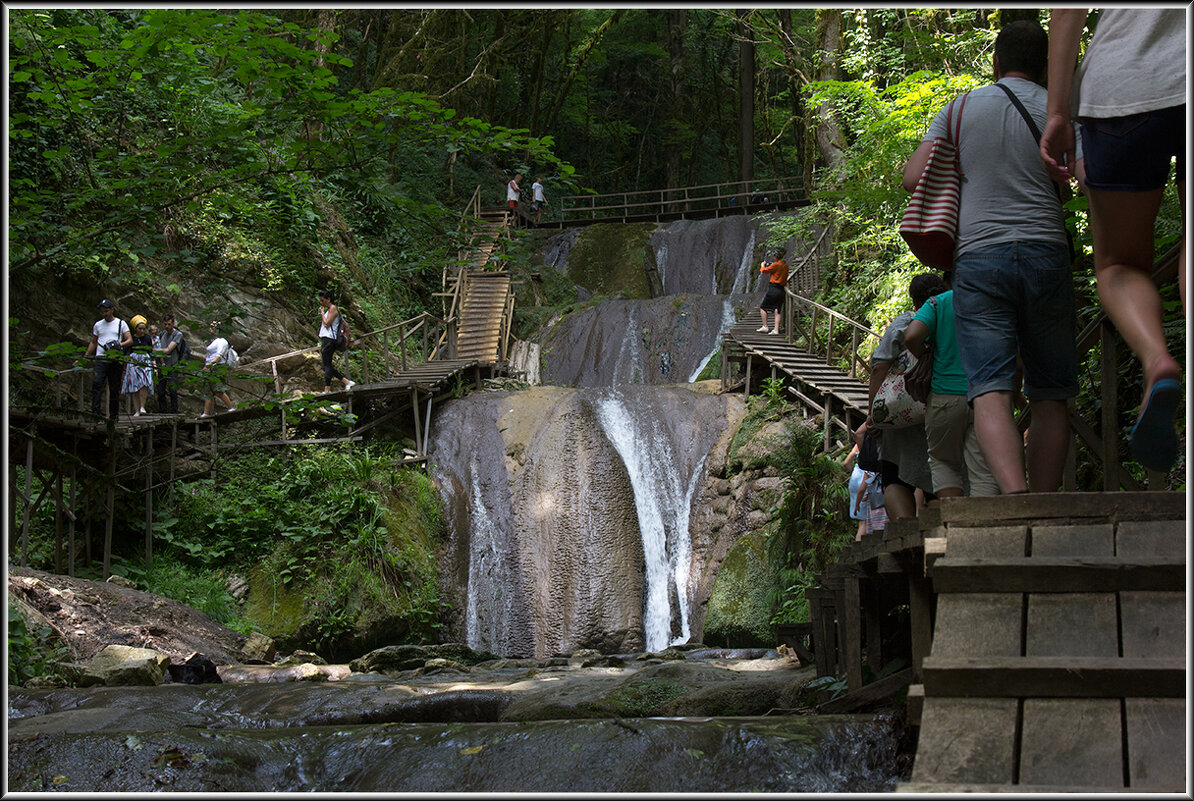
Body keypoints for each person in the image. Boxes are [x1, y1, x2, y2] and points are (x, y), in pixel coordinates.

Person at [903, 19, 1080, 494]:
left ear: (995, 61)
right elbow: (1084, 171)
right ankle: (1044, 505)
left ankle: (1015, 498)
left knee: (989, 389)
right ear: (1044, 66)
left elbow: (912, 177)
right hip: (1046, 251)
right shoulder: (1059, 108)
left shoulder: (960, 109)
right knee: (1050, 393)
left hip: (979, 258)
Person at [1040, 8, 1185, 474]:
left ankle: (1156, 359)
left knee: (1119, 265)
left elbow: (1067, 14)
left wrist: (1058, 113)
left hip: (1123, 90)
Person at [905, 272, 1000, 498]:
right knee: (983, 468)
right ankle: (982, 526)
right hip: (983, 394)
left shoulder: (938, 303)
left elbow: (911, 337)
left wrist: (926, 354)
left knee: (943, 461)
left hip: (944, 394)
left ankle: (955, 525)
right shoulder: (988, 299)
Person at [857, 273, 944, 519]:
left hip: (901, 413)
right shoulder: (952, 320)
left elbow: (878, 367)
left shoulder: (905, 323)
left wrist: (873, 413)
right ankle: (940, 533)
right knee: (940, 477)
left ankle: (905, 536)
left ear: (914, 299)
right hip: (938, 405)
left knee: (894, 476)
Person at [82, 299, 132, 419]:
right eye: (102, 312)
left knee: (114, 387)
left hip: (115, 359)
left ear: (112, 310)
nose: (104, 314)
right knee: (97, 383)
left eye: (106, 311)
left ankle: (113, 416)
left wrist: (118, 345)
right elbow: (94, 342)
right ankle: (95, 413)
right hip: (100, 358)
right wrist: (85, 357)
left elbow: (129, 340)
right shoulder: (98, 325)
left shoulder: (121, 324)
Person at [318, 290, 355, 394]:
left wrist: (321, 313)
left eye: (322, 300)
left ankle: (327, 390)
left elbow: (326, 324)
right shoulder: (329, 309)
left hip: (329, 340)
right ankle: (346, 382)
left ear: (328, 299)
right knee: (326, 365)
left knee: (327, 365)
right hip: (327, 339)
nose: (321, 303)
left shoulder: (333, 308)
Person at [120, 315, 155, 417]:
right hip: (134, 361)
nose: (142, 331)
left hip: (145, 360)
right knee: (134, 386)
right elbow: (125, 351)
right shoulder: (131, 339)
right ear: (135, 329)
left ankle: (142, 407)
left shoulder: (147, 339)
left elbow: (150, 352)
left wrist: (153, 364)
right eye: (140, 329)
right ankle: (136, 410)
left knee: (144, 383)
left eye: (144, 329)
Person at [200, 320, 236, 418]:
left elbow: (219, 355)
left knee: (218, 390)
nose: (210, 329)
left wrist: (210, 365)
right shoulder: (214, 341)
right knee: (208, 391)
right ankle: (206, 413)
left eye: (213, 327)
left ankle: (230, 408)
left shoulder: (222, 341)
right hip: (210, 368)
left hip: (217, 367)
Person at [154, 314, 185, 414]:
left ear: (173, 323)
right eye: (165, 324)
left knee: (172, 390)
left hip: (173, 366)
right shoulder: (162, 334)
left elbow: (168, 350)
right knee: (160, 391)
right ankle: (162, 411)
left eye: (169, 324)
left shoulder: (178, 334)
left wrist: (154, 350)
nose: (167, 326)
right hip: (162, 366)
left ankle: (174, 412)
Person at [757, 250, 789, 335]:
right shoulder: (785, 265)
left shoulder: (775, 265)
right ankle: (776, 329)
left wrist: (762, 265)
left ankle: (765, 326)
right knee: (777, 310)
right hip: (781, 289)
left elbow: (764, 270)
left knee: (763, 307)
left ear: (775, 257)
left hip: (773, 288)